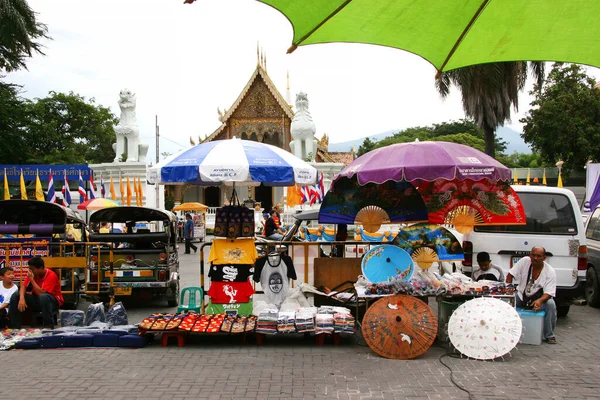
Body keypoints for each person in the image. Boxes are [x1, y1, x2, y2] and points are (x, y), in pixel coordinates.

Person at [506, 246, 558, 344]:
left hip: (539, 299)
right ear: (530, 255)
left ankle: (549, 335)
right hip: (521, 295)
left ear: (544, 258)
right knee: (506, 303)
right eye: (533, 255)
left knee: (551, 305)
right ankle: (506, 331)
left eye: (539, 256)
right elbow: (510, 275)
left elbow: (549, 293)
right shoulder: (524, 261)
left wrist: (539, 301)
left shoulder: (550, 272)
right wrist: (508, 287)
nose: (535, 258)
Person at [9, 257, 64, 329]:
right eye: (29, 268)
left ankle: (48, 326)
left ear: (41, 268)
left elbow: (41, 293)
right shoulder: (32, 273)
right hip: (38, 299)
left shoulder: (51, 275)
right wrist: (22, 298)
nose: (30, 271)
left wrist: (32, 280)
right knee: (16, 295)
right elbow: (23, 286)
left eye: (32, 269)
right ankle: (15, 327)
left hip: (52, 301)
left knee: (43, 297)